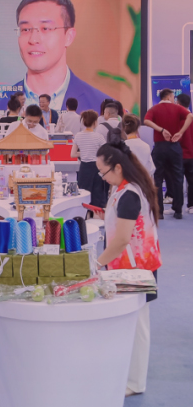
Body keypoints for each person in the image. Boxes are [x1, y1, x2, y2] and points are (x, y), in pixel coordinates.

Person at [95, 129, 162, 398]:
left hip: (137, 269)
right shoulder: (122, 188)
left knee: (138, 324)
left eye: (103, 172)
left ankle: (135, 382)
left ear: (118, 167)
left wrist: (97, 263)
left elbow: (123, 239)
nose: (101, 177)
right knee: (129, 322)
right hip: (129, 266)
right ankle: (128, 375)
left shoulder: (130, 194)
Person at [0, 0, 110, 113]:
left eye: (46, 28)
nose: (33, 39)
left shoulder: (102, 107)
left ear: (69, 37)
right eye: (26, 29)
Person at [144, 88, 193, 219]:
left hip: (159, 146)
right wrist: (180, 132)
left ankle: (159, 212)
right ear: (169, 97)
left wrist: (161, 130)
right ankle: (178, 211)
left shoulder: (154, 109)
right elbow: (190, 116)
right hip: (174, 146)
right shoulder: (178, 108)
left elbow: (146, 121)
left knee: (158, 178)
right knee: (178, 178)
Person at [71, 110, 107, 208]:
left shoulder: (78, 136)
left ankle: (84, 214)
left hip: (84, 168)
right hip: (97, 168)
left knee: (83, 194)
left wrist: (84, 152)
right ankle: (95, 215)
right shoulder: (99, 136)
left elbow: (73, 154)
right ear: (95, 122)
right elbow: (105, 152)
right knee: (97, 195)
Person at [176, 93, 193, 214]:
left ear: (178, 103)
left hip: (179, 155)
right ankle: (191, 205)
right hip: (191, 155)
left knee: (178, 182)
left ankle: (177, 208)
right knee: (192, 181)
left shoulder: (179, 120)